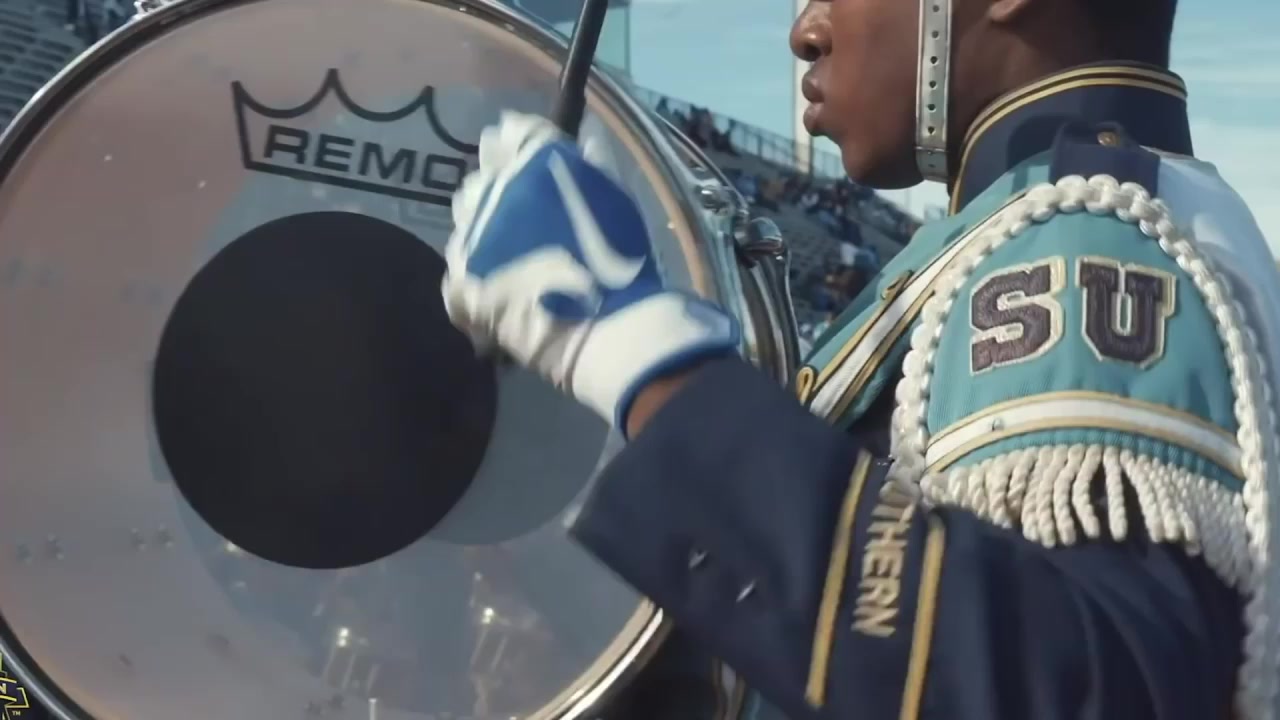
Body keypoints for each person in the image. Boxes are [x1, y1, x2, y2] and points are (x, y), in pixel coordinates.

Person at [441, 0, 1280, 718]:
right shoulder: (1075, 217)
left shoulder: (1083, 233)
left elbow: (1089, 690)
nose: (806, 30)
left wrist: (634, 349)